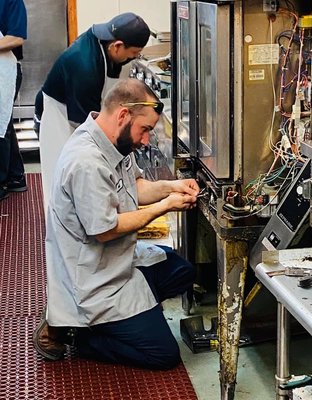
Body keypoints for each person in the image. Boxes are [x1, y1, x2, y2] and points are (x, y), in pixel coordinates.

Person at [33, 78, 200, 369]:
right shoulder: (87, 161)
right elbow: (105, 230)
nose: (146, 139)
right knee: (164, 355)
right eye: (145, 129)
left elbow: (134, 187)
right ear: (123, 115)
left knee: (183, 272)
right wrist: (165, 205)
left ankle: (130, 320)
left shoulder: (112, 141)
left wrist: (172, 187)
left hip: (118, 260)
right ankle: (78, 334)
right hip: (95, 279)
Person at [34, 12, 151, 210]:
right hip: (59, 115)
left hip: (78, 106)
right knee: (62, 175)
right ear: (117, 46)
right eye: (134, 53)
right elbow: (89, 128)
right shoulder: (84, 65)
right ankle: (66, 233)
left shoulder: (105, 43)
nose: (134, 57)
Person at [0, 0, 27, 201]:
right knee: (4, 122)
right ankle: (16, 177)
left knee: (0, 125)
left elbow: (17, 37)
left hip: (5, 71)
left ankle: (1, 182)